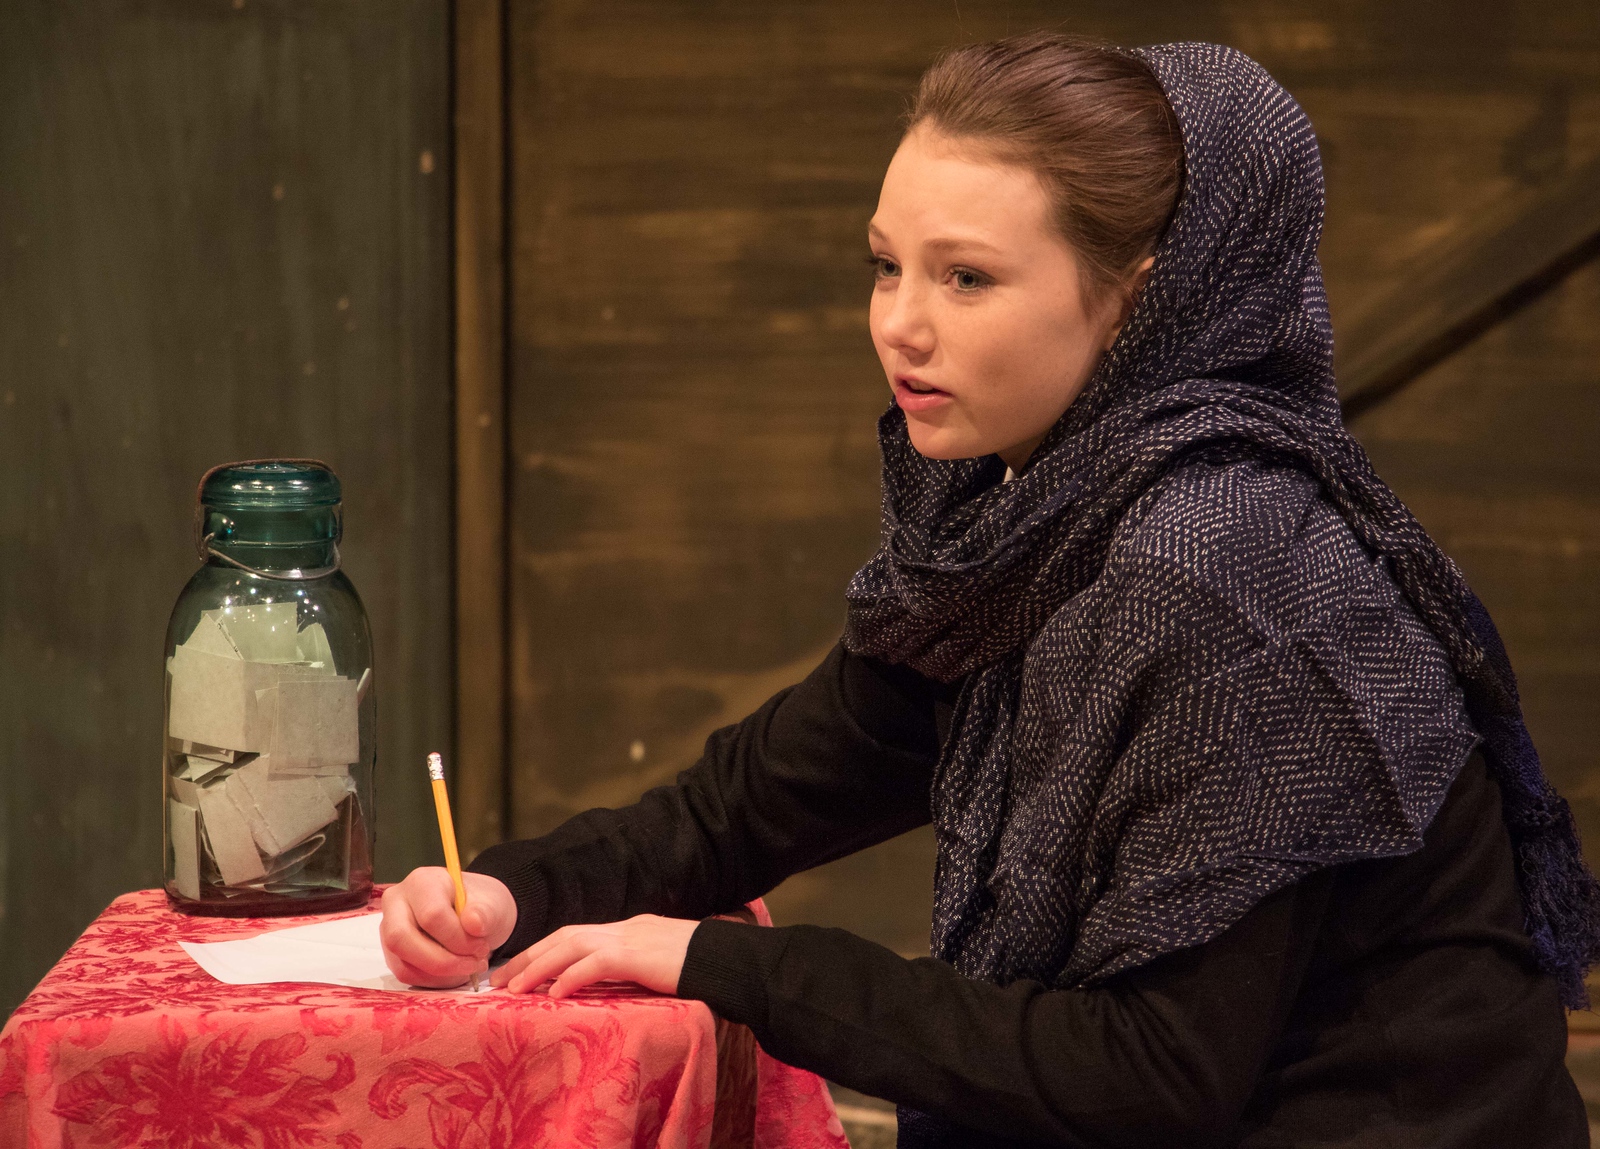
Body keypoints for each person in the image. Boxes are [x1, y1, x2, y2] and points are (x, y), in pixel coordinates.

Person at [380, 34, 1600, 1147]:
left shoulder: (1225, 574)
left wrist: (725, 966)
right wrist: (507, 892)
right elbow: (747, 805)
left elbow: (1147, 1077)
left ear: (1140, 298)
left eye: (965, 279)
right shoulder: (1017, 530)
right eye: (884, 266)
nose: (899, 325)